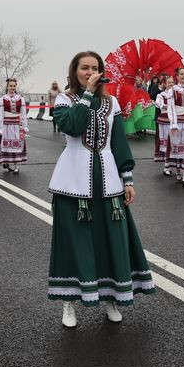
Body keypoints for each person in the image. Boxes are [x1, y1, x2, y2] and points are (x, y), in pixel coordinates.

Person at [47, 51, 154, 327]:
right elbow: (72, 127)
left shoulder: (111, 102)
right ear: (75, 71)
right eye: (84, 68)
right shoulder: (65, 100)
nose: (90, 72)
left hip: (108, 182)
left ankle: (110, 296)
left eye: (94, 68)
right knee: (74, 242)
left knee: (110, 240)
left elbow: (119, 142)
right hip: (73, 184)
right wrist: (86, 95)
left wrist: (127, 179)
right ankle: (69, 303)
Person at [0, 78, 29, 174]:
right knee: (6, 144)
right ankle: (6, 162)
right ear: (7, 87)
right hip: (6, 125)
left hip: (17, 125)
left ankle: (16, 166)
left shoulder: (20, 99)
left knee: (17, 144)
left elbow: (23, 114)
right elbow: (0, 115)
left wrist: (24, 125)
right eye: (10, 86)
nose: (12, 88)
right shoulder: (2, 99)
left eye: (14, 86)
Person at [153, 74, 175, 176]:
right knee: (166, 143)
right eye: (169, 82)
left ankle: (174, 165)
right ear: (165, 84)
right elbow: (158, 103)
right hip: (165, 121)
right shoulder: (161, 95)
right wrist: (166, 105)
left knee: (174, 143)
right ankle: (166, 165)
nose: (171, 84)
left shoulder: (176, 94)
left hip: (174, 121)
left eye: (172, 82)